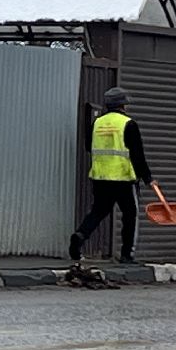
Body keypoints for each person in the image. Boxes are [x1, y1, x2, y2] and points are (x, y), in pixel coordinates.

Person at [69, 87, 156, 266]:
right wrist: (147, 178)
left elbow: (88, 147)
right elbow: (137, 155)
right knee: (130, 215)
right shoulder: (128, 124)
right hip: (124, 178)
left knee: (98, 211)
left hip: (101, 177)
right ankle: (127, 255)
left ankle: (80, 236)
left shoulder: (97, 123)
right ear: (123, 105)